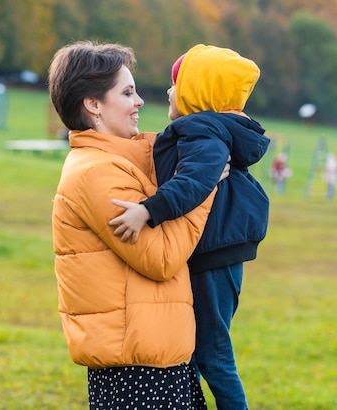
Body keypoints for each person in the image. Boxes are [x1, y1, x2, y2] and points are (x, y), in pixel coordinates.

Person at [49, 40, 225, 410]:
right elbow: (160, 257)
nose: (140, 101)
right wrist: (203, 189)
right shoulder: (96, 174)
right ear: (93, 104)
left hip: (161, 358)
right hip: (137, 373)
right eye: (127, 92)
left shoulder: (129, 162)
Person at [110, 44, 270, 410]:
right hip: (214, 251)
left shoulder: (204, 130)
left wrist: (148, 211)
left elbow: (196, 181)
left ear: (198, 95)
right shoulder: (206, 129)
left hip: (213, 254)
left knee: (212, 351)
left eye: (176, 85)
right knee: (196, 350)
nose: (168, 92)